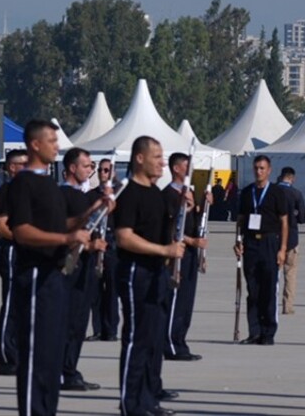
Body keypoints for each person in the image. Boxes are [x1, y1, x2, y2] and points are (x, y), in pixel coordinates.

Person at [7, 120, 100, 416]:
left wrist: (88, 214)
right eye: (51, 140)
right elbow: (21, 230)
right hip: (35, 274)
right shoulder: (23, 182)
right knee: (36, 353)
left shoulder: (48, 183)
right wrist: (65, 237)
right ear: (35, 144)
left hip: (56, 276)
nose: (56, 146)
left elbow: (62, 224)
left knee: (52, 351)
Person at [114, 135, 185, 416]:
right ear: (139, 158)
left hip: (157, 273)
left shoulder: (157, 194)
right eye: (156, 157)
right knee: (136, 338)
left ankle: (147, 399)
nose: (162, 163)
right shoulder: (129, 193)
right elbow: (124, 237)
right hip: (135, 272)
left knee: (152, 339)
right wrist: (162, 249)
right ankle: (130, 402)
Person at [58, 147, 106, 392]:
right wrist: (89, 245)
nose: (91, 170)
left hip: (86, 268)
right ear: (72, 168)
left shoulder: (86, 195)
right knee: (68, 320)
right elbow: (64, 229)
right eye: (86, 166)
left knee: (79, 321)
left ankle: (70, 368)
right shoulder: (63, 194)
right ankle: (63, 370)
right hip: (69, 265)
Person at [235, 154, 289, 345]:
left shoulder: (276, 192)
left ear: (269, 170)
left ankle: (268, 332)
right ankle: (254, 332)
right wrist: (238, 241)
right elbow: (240, 220)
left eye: (262, 168)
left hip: (269, 243)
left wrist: (282, 249)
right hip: (251, 244)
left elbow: (284, 222)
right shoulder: (247, 192)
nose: (258, 171)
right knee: (253, 289)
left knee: (269, 288)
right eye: (256, 168)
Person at [165, 151, 207, 362]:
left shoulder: (189, 193)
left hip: (190, 254)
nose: (189, 170)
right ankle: (170, 343)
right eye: (186, 166)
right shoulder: (169, 195)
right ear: (176, 168)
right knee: (175, 300)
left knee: (187, 301)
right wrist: (192, 241)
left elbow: (195, 223)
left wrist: (201, 205)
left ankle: (180, 341)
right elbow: (174, 228)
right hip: (176, 253)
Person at [0, 149, 27, 375]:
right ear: (12, 167)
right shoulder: (6, 191)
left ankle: (20, 352)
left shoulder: (27, 190)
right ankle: (7, 356)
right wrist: (21, 238)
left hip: (29, 252)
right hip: (13, 250)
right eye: (22, 164)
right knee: (11, 302)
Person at [91, 157, 121, 342]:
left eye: (107, 170)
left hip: (112, 244)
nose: (103, 174)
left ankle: (110, 330)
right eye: (101, 170)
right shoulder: (92, 194)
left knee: (112, 290)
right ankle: (98, 329)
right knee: (95, 291)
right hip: (95, 243)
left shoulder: (120, 194)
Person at [279, 166, 304, 315]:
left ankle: (270, 302)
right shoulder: (296, 194)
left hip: (275, 237)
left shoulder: (272, 192)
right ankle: (287, 306)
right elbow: (302, 218)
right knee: (290, 273)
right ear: (292, 178)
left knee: (273, 274)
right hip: (292, 237)